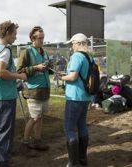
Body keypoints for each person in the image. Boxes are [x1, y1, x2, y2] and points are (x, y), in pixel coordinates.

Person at [0, 20, 27, 167]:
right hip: (3, 96)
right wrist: (19, 76)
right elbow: (0, 72)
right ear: (8, 33)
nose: (15, 37)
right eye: (14, 34)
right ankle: (3, 162)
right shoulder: (5, 50)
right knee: (4, 131)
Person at [58, 33, 93, 167]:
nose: (72, 46)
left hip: (74, 97)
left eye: (72, 44)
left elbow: (72, 77)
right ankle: (82, 160)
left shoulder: (77, 56)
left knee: (69, 128)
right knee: (82, 126)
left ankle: (73, 163)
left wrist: (62, 78)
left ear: (78, 43)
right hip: (86, 97)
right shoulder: (90, 57)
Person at [17, 26, 50, 152]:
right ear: (32, 38)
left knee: (40, 117)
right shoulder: (26, 52)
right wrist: (36, 68)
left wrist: (48, 66)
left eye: (43, 38)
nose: (42, 40)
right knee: (34, 118)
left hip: (44, 90)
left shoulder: (44, 51)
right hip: (33, 91)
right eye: (40, 38)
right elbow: (19, 71)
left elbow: (44, 67)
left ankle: (37, 141)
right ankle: (25, 142)